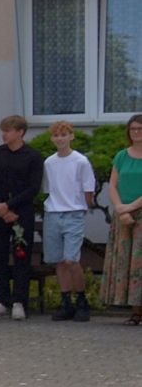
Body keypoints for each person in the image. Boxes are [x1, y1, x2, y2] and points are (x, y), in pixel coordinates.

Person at [0, 114, 45, 320]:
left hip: (21, 213)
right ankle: (1, 301)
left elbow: (33, 187)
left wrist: (10, 206)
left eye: (8, 131)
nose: (4, 134)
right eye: (3, 131)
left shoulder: (33, 156)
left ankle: (19, 301)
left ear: (20, 132)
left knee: (21, 256)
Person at [41, 121, 97, 322]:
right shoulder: (49, 162)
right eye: (56, 135)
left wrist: (83, 206)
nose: (60, 139)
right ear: (52, 138)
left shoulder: (80, 161)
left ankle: (81, 298)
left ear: (71, 136)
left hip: (73, 213)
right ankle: (66, 300)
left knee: (71, 259)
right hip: (53, 213)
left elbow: (88, 189)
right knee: (59, 261)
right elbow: (48, 188)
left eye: (64, 135)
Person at [101, 113, 142, 324]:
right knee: (127, 261)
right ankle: (136, 311)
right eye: (133, 129)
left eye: (140, 129)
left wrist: (132, 206)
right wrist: (120, 208)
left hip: (138, 211)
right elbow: (113, 185)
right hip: (123, 214)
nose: (136, 132)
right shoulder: (121, 156)